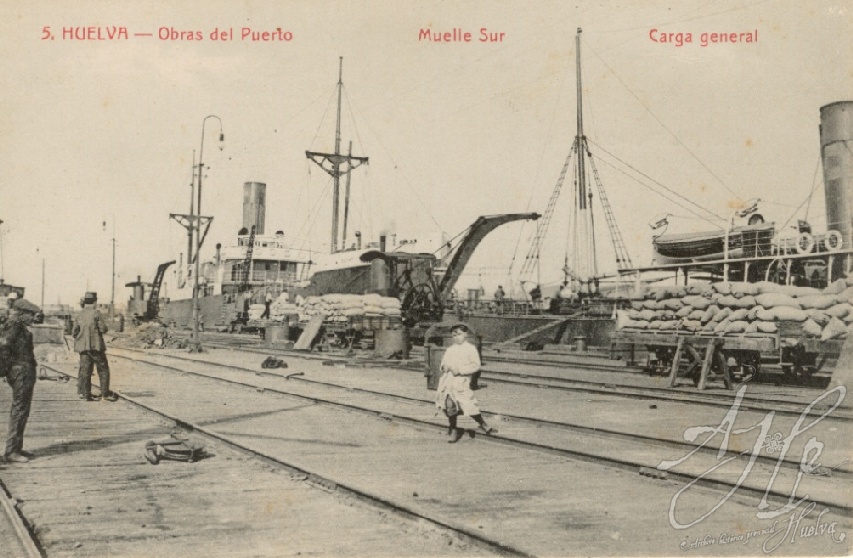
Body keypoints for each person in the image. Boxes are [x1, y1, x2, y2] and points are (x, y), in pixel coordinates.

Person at [435, 323, 496, 443]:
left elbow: (476, 366)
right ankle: (454, 430)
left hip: (462, 382)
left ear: (465, 335)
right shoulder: (450, 349)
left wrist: (461, 371)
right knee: (450, 407)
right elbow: (442, 364)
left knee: (469, 405)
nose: (457, 337)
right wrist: (444, 367)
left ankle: (482, 423)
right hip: (449, 382)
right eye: (454, 335)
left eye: (459, 334)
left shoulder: (470, 349)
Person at [0, 297, 42, 463]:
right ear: (22, 314)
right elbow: (4, 347)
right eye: (31, 315)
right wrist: (7, 370)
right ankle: (11, 452)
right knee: (19, 410)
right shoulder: (14, 327)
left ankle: (17, 447)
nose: (33, 318)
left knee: (22, 410)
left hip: (23, 372)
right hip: (20, 373)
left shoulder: (19, 327)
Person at [72, 292, 117, 402]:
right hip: (96, 347)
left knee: (85, 370)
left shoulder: (79, 315)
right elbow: (103, 329)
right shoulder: (96, 314)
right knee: (103, 369)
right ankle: (104, 394)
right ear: (94, 302)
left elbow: (74, 332)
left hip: (83, 348)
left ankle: (85, 394)